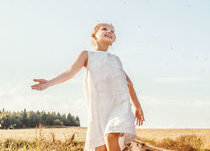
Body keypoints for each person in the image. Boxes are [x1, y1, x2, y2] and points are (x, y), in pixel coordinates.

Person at [31, 23, 145, 151]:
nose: (110, 32)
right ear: (93, 35)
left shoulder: (116, 60)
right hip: (98, 110)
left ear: (114, 40)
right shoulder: (87, 55)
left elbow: (128, 83)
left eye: (113, 31)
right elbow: (70, 72)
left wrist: (137, 106)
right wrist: (49, 83)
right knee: (100, 147)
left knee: (111, 135)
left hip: (119, 107)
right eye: (105, 29)